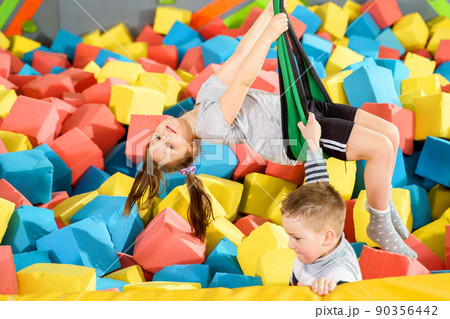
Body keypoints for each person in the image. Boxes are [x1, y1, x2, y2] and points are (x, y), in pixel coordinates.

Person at [124, 0, 417, 259]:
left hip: (304, 106)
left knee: (390, 133)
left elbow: (239, 55)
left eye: (157, 138)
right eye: (169, 147)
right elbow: (241, 81)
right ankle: (379, 223)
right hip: (298, 133)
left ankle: (385, 204)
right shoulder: (209, 125)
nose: (165, 136)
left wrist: (268, 12)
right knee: (380, 148)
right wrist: (270, 34)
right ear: (191, 150)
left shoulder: (204, 97)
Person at [282, 114, 361, 295]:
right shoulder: (318, 241)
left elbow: (349, 296)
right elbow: (317, 183)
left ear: (327, 238)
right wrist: (313, 142)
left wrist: (330, 287)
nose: (289, 244)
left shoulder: (340, 274)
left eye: (296, 238)